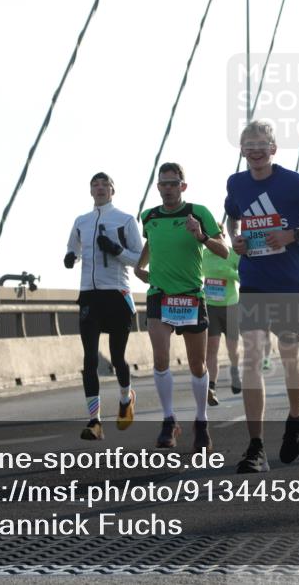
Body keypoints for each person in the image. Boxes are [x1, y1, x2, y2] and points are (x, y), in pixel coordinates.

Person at [225, 120, 299, 474]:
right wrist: (235, 240)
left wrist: (293, 235)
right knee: (252, 358)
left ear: (273, 149)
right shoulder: (236, 183)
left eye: (262, 145)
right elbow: (232, 216)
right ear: (242, 150)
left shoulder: (294, 183)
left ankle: (295, 416)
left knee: (290, 356)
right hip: (253, 281)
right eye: (249, 145)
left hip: (289, 283)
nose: (256, 151)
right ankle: (256, 447)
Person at [135, 162, 229, 452]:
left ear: (183, 186)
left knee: (197, 365)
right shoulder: (149, 216)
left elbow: (224, 251)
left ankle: (201, 422)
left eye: (173, 183)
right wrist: (139, 266)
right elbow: (151, 243)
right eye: (163, 184)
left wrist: (201, 236)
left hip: (190, 297)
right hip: (159, 295)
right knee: (160, 360)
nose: (168, 188)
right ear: (158, 187)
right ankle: (168, 421)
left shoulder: (198, 213)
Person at [65, 172, 143, 440]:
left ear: (113, 190)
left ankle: (125, 399)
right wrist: (70, 257)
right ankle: (95, 422)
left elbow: (139, 259)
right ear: (90, 191)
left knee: (117, 358)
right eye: (95, 185)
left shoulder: (125, 220)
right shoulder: (81, 221)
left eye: (105, 185)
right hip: (89, 295)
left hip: (117, 294)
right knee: (90, 359)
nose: (100, 188)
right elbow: (73, 249)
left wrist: (115, 249)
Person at [202, 245, 242, 399]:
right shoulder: (203, 254)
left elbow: (244, 277)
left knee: (233, 348)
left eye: (220, 235)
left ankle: (235, 370)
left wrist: (230, 273)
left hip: (231, 307)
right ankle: (211, 386)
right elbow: (195, 274)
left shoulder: (232, 253)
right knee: (212, 348)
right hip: (211, 307)